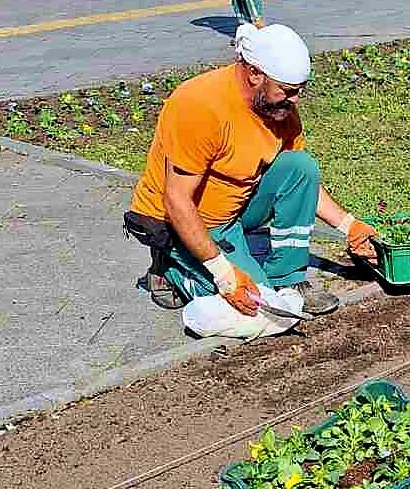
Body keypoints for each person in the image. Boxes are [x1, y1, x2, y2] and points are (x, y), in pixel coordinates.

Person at [124, 23, 379, 320]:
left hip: (234, 209)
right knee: (256, 307)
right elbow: (177, 200)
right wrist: (224, 275)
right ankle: (172, 269)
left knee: (300, 167)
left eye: (299, 91)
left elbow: (299, 181)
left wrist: (350, 227)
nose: (295, 100)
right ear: (255, 74)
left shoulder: (279, 110)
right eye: (287, 91)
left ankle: (288, 278)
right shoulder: (201, 107)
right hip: (178, 222)